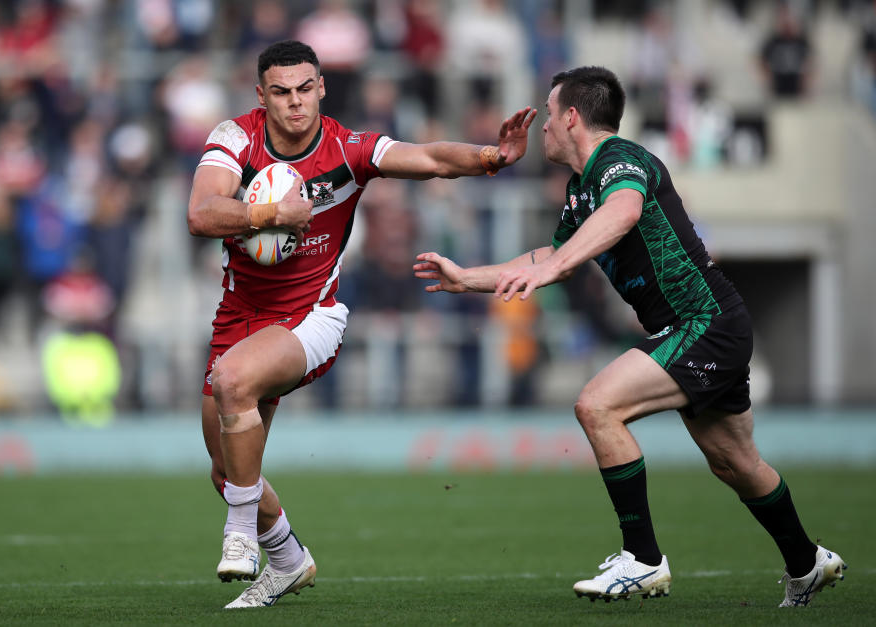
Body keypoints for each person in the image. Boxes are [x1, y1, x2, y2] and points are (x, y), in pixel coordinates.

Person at [414, 65, 845, 607]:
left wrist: (554, 268)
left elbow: (624, 211)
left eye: (549, 116)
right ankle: (807, 563)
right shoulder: (580, 187)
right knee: (735, 462)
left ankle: (642, 559)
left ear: (572, 117)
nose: (543, 128)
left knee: (597, 405)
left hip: (703, 323)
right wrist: (466, 279)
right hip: (705, 327)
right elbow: (553, 257)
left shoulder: (620, 161)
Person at [186, 39, 536, 609]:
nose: (295, 103)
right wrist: (273, 213)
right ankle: (289, 560)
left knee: (231, 384)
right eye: (281, 92)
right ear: (261, 95)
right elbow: (201, 214)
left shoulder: (349, 149)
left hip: (310, 318)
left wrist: (489, 157)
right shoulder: (234, 138)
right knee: (226, 473)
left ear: (321, 87)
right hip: (238, 316)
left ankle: (241, 537)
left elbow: (428, 159)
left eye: (305, 89)